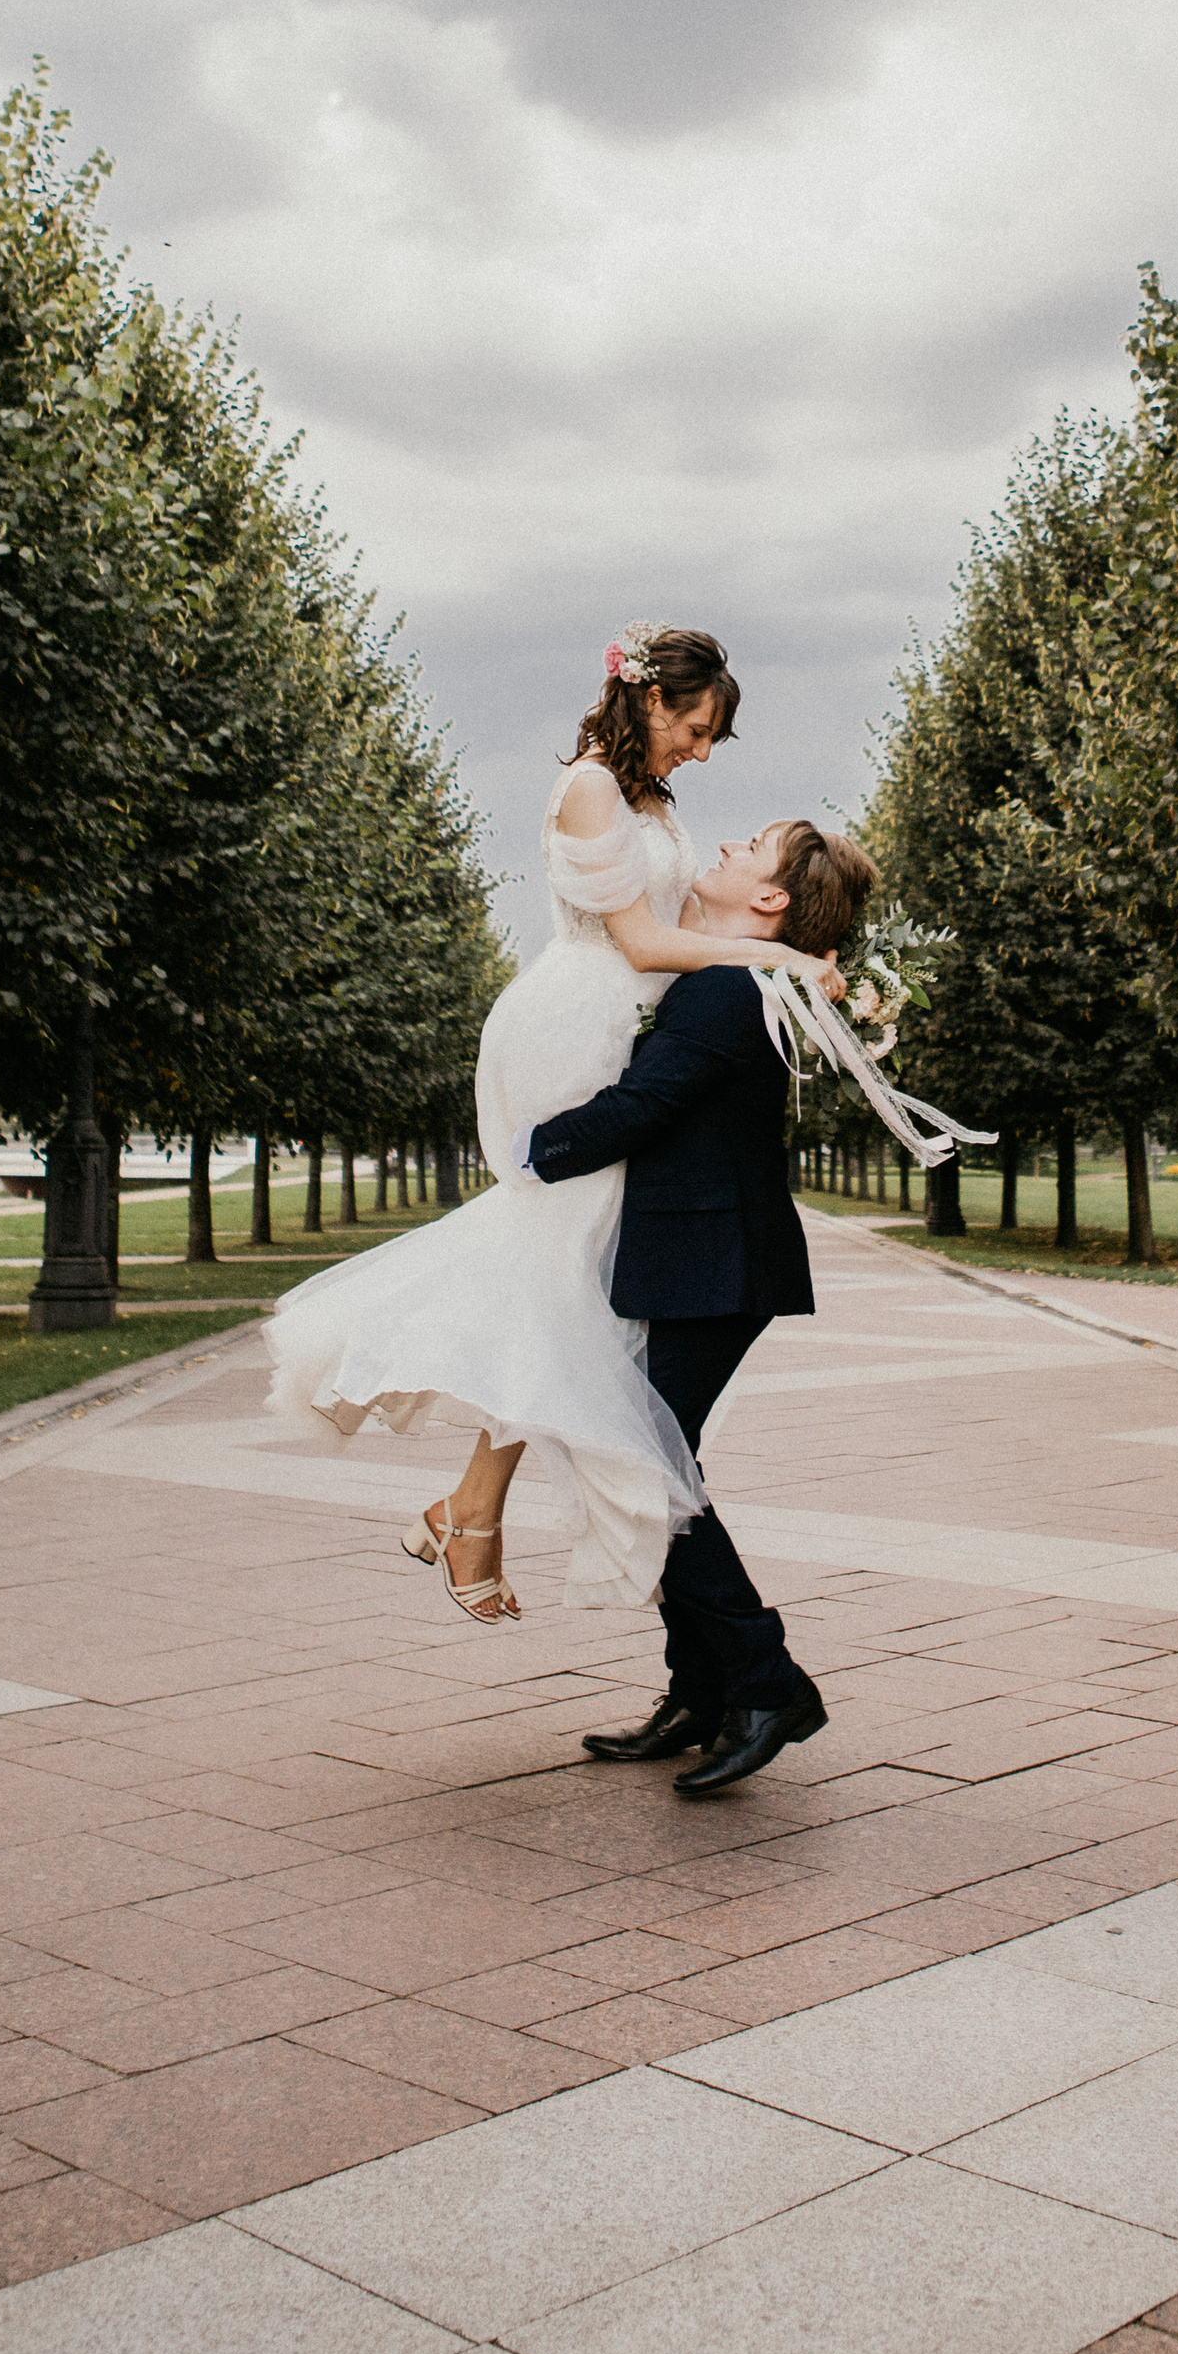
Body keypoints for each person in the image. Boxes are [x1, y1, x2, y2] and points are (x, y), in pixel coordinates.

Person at [262, 625, 845, 1620]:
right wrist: (785, 960)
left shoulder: (650, 798)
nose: (701, 752)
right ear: (649, 700)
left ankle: (467, 1512)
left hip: (625, 1017)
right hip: (573, 1023)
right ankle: (467, 1515)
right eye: (697, 728)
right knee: (561, 1275)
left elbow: (690, 930)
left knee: (562, 1289)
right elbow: (644, 939)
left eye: (714, 739)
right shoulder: (589, 787)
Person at [521, 814, 873, 1795]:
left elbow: (642, 1109)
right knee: (650, 1457)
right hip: (700, 1254)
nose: (722, 849)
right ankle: (705, 1690)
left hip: (715, 1259)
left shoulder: (725, 988)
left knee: (639, 1458)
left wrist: (522, 1150)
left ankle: (766, 1684)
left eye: (746, 849)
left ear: (768, 902)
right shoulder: (730, 975)